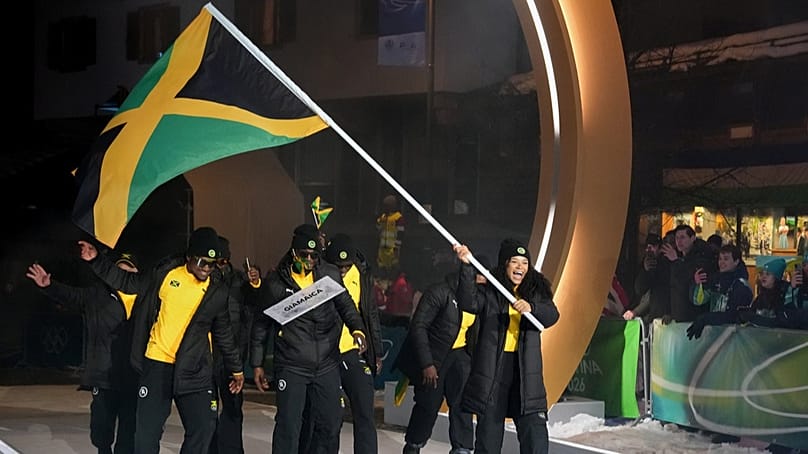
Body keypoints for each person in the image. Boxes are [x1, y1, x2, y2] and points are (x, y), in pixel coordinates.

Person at [78, 227, 245, 454]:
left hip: (195, 368)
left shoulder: (217, 290)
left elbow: (223, 331)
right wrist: (96, 260)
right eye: (202, 262)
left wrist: (236, 369)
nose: (206, 268)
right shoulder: (164, 273)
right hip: (158, 364)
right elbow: (127, 281)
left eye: (212, 264)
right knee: (145, 436)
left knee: (204, 428)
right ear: (189, 257)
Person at [249, 224, 368, 454]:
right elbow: (261, 326)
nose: (310, 260)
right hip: (292, 365)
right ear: (294, 253)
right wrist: (257, 364)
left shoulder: (329, 274)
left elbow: (347, 307)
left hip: (326, 362)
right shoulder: (276, 284)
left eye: (315, 256)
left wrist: (358, 330)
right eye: (305, 255)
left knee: (331, 422)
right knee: (289, 426)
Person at [26, 252, 140, 454]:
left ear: (137, 273)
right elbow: (73, 296)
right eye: (119, 270)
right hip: (104, 375)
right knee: (101, 429)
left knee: (129, 430)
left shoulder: (146, 298)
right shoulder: (97, 295)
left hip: (134, 375)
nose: (123, 275)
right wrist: (49, 286)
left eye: (128, 270)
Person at [453, 240, 560, 454]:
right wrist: (466, 267)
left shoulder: (536, 291)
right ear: (505, 264)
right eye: (514, 262)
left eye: (524, 263)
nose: (520, 267)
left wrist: (532, 308)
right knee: (488, 440)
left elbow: (552, 315)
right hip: (494, 373)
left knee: (535, 437)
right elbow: (468, 302)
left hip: (526, 376)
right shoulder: (491, 290)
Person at [395, 256, 491, 454]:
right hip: (433, 356)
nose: (484, 279)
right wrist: (427, 364)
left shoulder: (479, 298)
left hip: (460, 356)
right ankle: (414, 445)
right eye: (481, 275)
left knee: (462, 405)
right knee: (427, 406)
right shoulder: (439, 292)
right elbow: (419, 327)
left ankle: (462, 448)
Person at [320, 233, 383, 454]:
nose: (343, 270)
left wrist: (377, 352)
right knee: (331, 416)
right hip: (326, 354)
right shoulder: (321, 274)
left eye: (347, 266)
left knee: (365, 411)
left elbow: (370, 314)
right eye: (339, 266)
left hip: (354, 352)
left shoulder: (363, 276)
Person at [209, 236, 254, 454]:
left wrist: (255, 283)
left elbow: (255, 302)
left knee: (233, 407)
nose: (220, 267)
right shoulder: (201, 279)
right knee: (207, 410)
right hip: (206, 355)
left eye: (224, 261)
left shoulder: (239, 279)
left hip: (232, 354)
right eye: (216, 262)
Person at [685, 244, 753, 340]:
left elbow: (734, 316)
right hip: (717, 335)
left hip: (735, 338)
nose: (721, 262)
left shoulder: (741, 285)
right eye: (720, 259)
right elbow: (699, 300)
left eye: (726, 259)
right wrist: (697, 285)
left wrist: (706, 318)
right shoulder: (716, 279)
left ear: (736, 261)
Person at [661, 224, 714, 323]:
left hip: (693, 314)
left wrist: (676, 261)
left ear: (693, 238)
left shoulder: (702, 256)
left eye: (682, 237)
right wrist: (668, 311)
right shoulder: (676, 257)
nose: (679, 241)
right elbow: (672, 286)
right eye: (677, 238)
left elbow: (686, 281)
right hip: (678, 314)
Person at [625, 232, 670, 324]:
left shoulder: (666, 265)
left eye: (652, 246)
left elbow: (658, 293)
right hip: (648, 316)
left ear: (660, 248)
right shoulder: (643, 264)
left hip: (659, 316)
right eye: (647, 247)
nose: (649, 250)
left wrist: (636, 311)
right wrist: (645, 271)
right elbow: (639, 290)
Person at [376, 194, 405, 275]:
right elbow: (378, 228)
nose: (385, 208)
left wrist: (397, 246)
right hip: (382, 248)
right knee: (381, 267)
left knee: (393, 268)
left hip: (393, 249)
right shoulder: (383, 217)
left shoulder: (398, 217)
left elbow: (400, 233)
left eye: (387, 206)